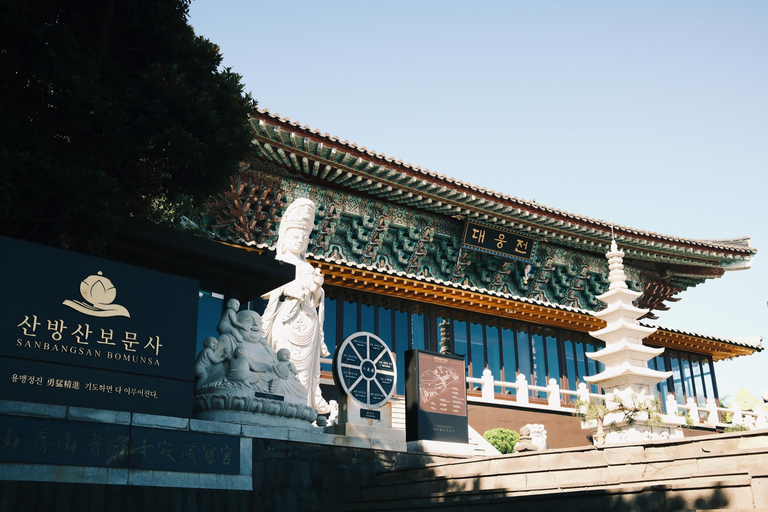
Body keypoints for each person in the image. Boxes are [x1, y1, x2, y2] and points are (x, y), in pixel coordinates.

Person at [262, 198, 332, 414]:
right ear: (285, 235)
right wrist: (286, 289)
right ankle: (279, 405)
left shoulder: (308, 267)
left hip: (308, 322)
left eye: (304, 236)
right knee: (283, 359)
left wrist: (317, 288)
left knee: (306, 372)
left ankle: (304, 406)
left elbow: (316, 300)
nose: (300, 239)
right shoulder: (278, 262)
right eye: (296, 235)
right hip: (286, 320)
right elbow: (264, 290)